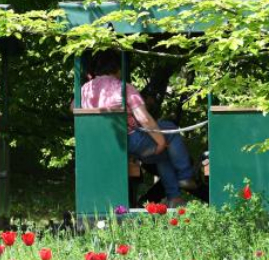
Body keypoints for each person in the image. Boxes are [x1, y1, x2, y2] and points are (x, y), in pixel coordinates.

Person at [79, 50, 195, 207]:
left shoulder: (85, 89)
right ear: (117, 68)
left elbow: (73, 107)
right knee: (171, 130)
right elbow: (143, 118)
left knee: (164, 155)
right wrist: (160, 141)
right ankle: (186, 176)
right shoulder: (123, 88)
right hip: (130, 141)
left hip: (101, 144)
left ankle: (175, 198)